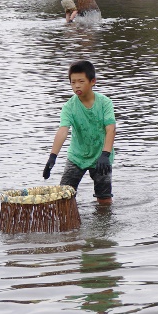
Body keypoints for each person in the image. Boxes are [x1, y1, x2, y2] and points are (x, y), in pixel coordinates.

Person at [42, 60, 116, 205]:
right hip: (77, 156)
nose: (77, 86)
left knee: (104, 198)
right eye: (73, 82)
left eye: (81, 81)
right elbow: (63, 131)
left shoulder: (105, 103)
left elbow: (111, 129)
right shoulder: (69, 106)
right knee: (63, 197)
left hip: (101, 156)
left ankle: (104, 225)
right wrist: (52, 157)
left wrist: (105, 154)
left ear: (92, 81)